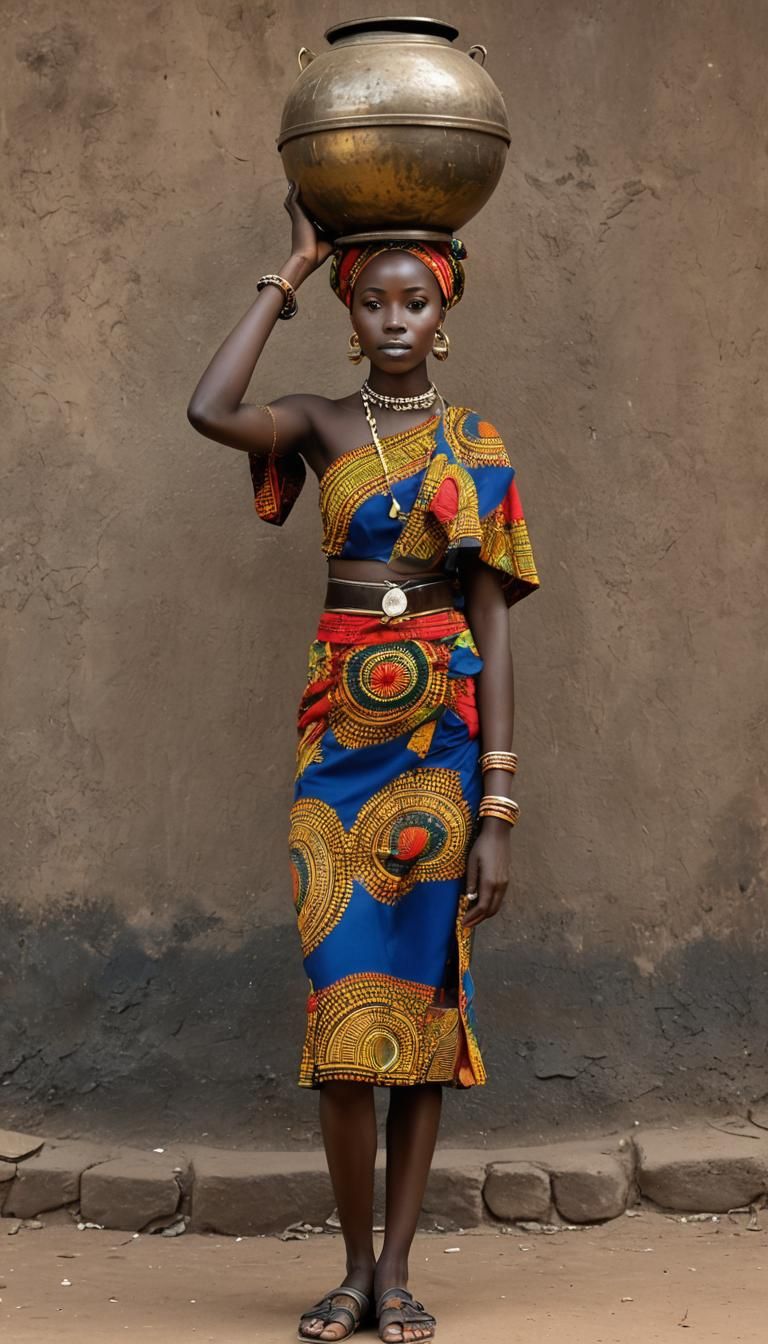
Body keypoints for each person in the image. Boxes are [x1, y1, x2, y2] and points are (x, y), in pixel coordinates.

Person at [187, 183, 539, 1344]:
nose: (395, 320)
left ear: (444, 313)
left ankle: (396, 1271)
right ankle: (347, 1267)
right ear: (351, 313)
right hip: (338, 753)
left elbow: (494, 625)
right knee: (345, 1019)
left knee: (420, 1025)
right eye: (374, 301)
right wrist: (288, 269)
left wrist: (497, 802)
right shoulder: (320, 423)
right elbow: (209, 409)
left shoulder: (477, 445)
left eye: (416, 302)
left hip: (440, 754)